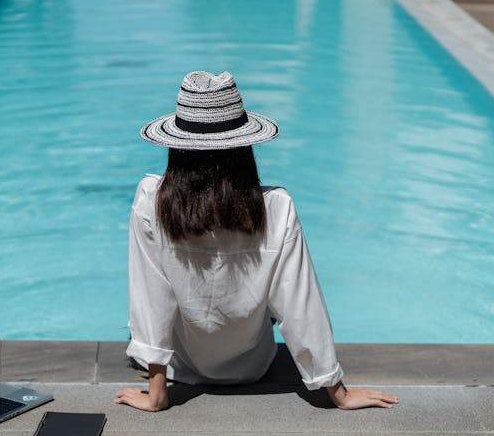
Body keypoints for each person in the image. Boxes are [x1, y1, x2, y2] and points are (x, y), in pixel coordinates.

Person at [115, 71, 398, 412]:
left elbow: (150, 298)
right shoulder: (276, 208)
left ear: (177, 147)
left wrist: (157, 395)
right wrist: (338, 392)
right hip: (251, 366)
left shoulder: (152, 201)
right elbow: (299, 305)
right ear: (244, 147)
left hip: (182, 367)